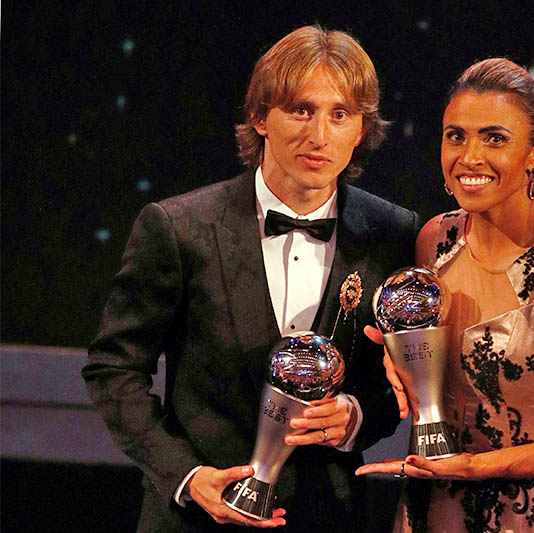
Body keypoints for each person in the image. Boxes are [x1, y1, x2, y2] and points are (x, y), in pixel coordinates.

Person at [83, 26, 419, 532]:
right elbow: (113, 370)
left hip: (327, 516)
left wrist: (354, 418)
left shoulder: (392, 234)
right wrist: (187, 476)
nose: (320, 135)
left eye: (340, 114)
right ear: (261, 117)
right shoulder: (178, 228)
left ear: (361, 129)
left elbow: (393, 382)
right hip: (195, 519)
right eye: (301, 109)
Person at [358, 58, 534, 532]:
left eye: (495, 138)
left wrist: (477, 467)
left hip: (533, 517)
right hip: (432, 509)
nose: (469, 157)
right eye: (456, 136)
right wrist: (400, 360)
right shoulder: (435, 242)